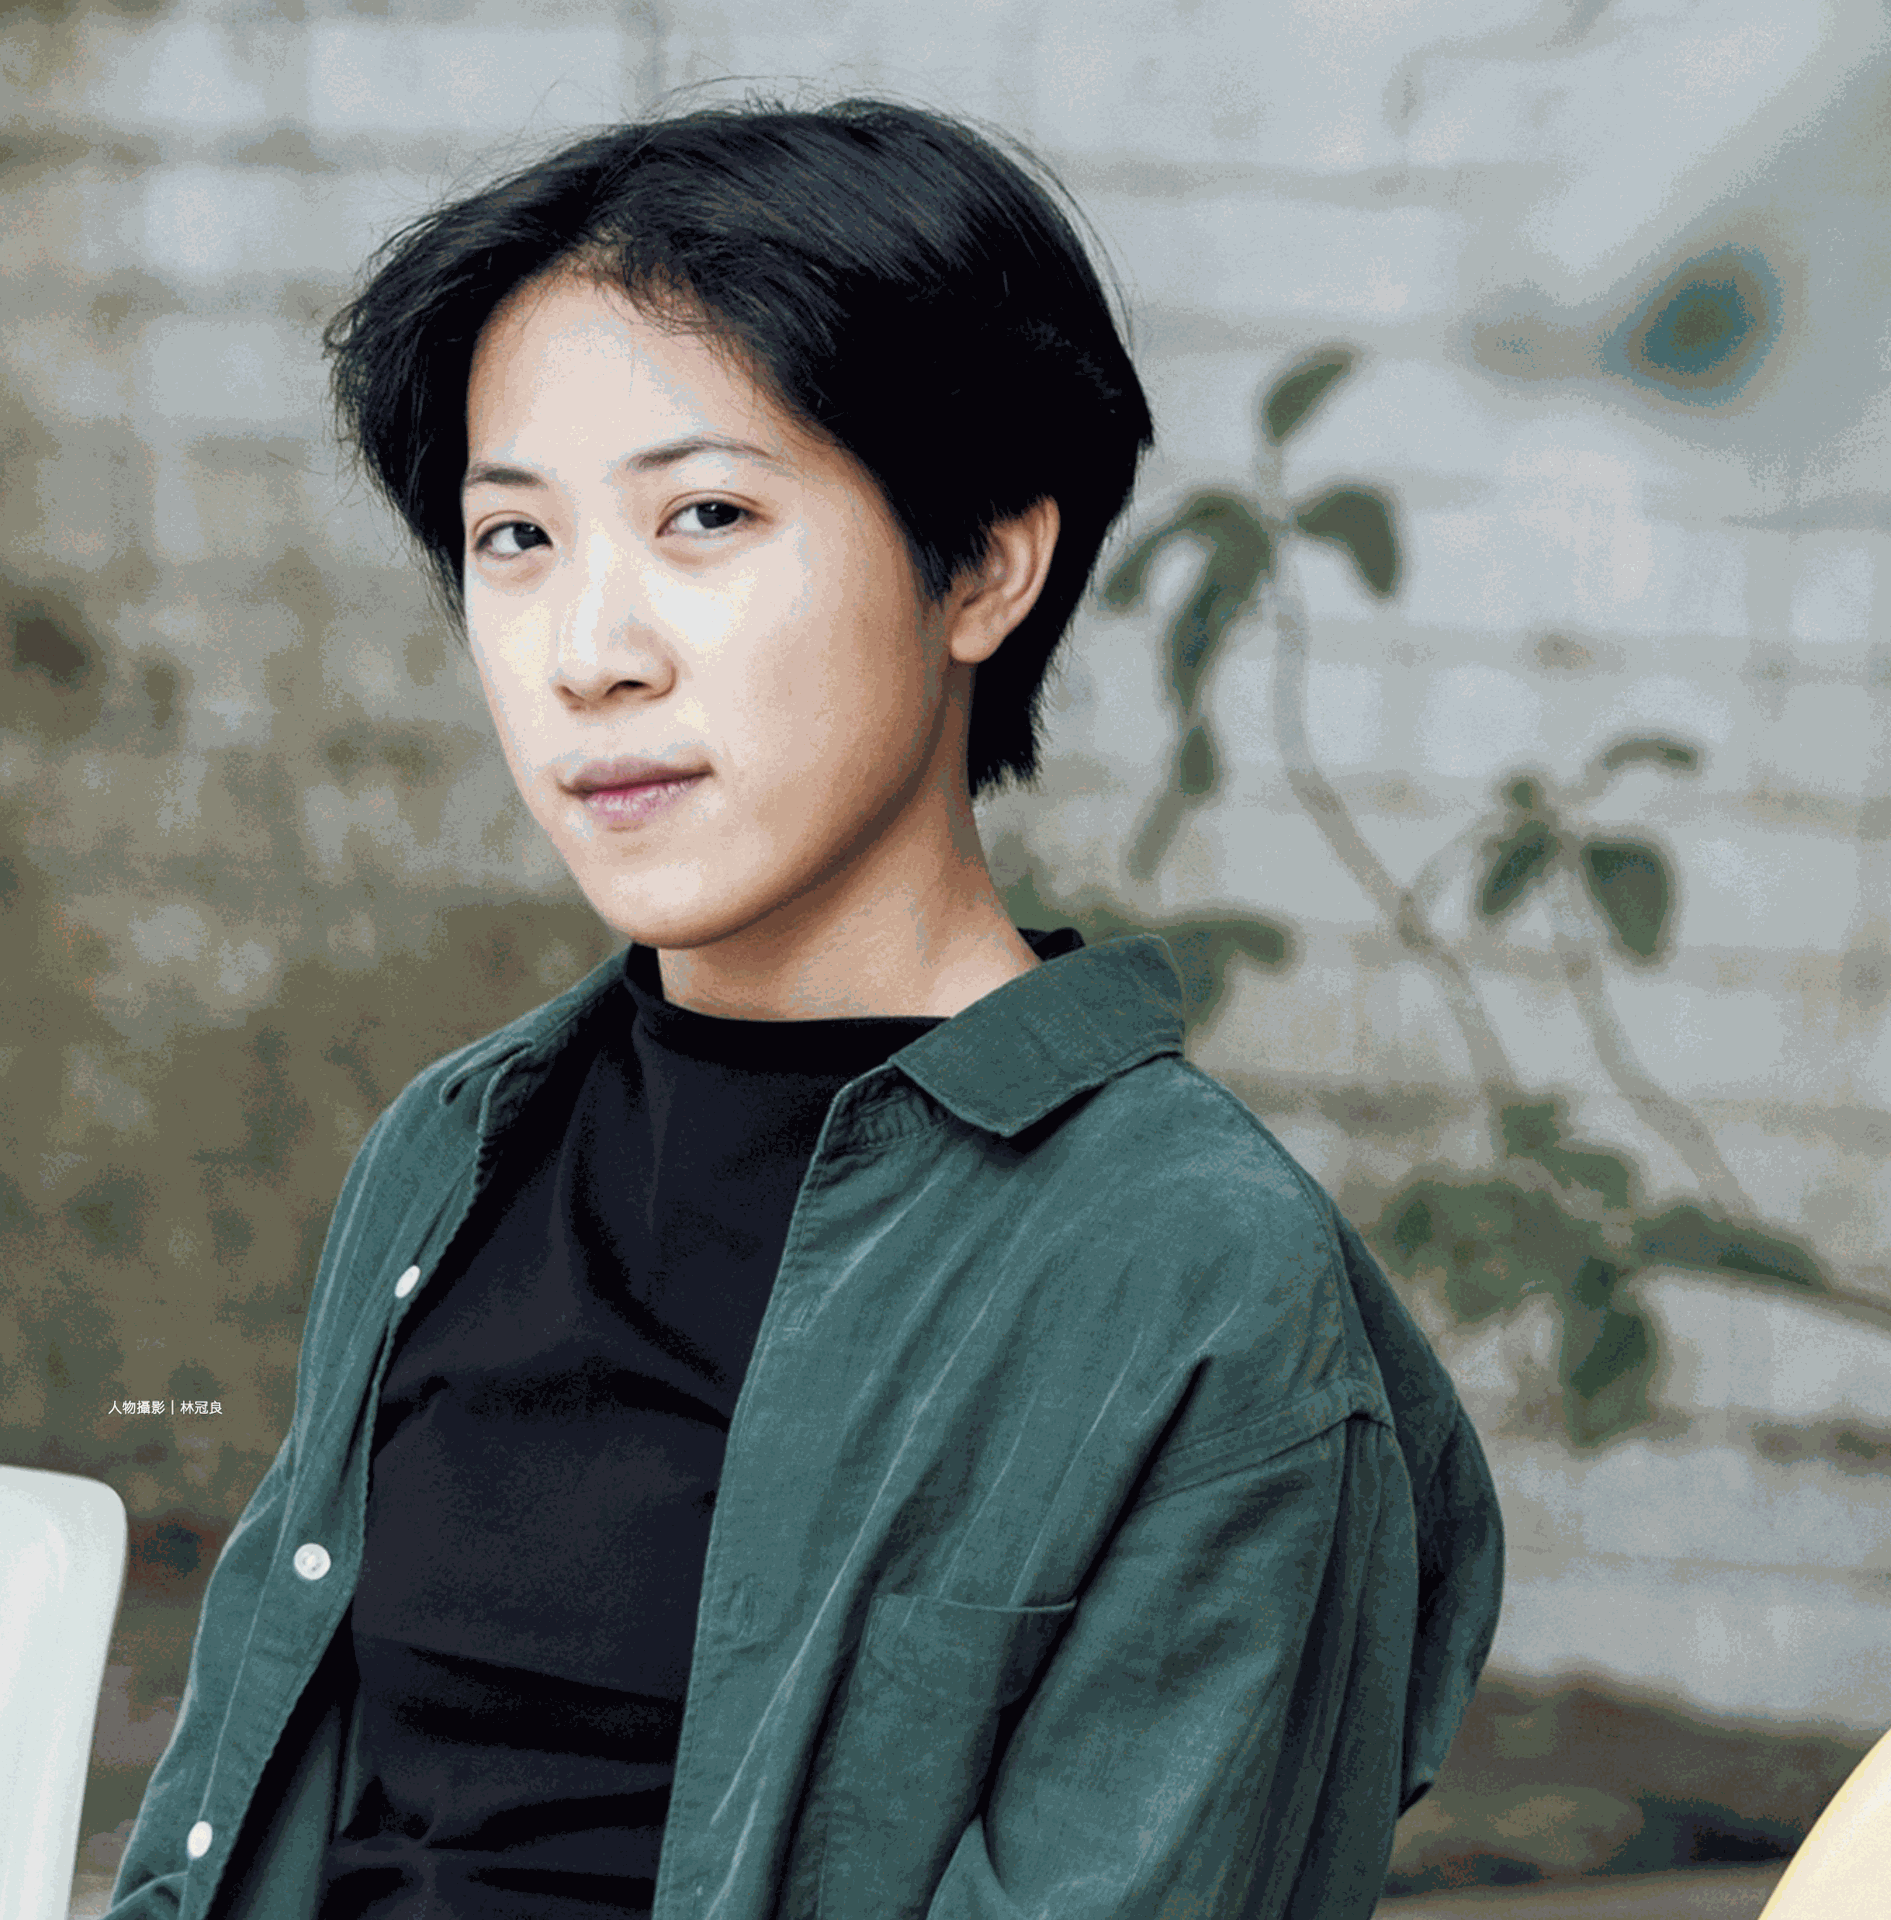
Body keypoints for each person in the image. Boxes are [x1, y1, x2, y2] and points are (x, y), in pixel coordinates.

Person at [107, 94, 1503, 1920]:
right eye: (515, 538)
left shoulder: (1187, 1275)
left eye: (706, 515)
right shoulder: (451, 1151)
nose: (589, 654)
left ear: (982, 562)